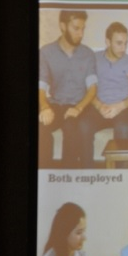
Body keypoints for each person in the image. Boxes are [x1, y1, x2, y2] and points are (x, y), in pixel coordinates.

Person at [38, 10, 97, 168]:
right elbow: (41, 85)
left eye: (83, 29)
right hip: (56, 104)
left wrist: (78, 108)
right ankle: (44, 174)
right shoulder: (46, 52)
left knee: (71, 128)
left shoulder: (88, 54)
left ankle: (67, 173)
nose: (81, 34)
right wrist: (44, 107)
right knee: (41, 129)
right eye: (76, 28)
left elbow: (92, 88)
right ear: (63, 26)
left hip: (79, 105)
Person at [78, 21, 128, 168]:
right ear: (108, 41)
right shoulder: (94, 59)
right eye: (119, 43)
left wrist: (119, 106)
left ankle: (118, 175)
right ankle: (87, 173)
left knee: (123, 128)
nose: (123, 48)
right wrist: (99, 106)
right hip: (98, 107)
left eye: (126, 43)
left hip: (122, 108)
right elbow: (86, 89)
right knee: (83, 125)